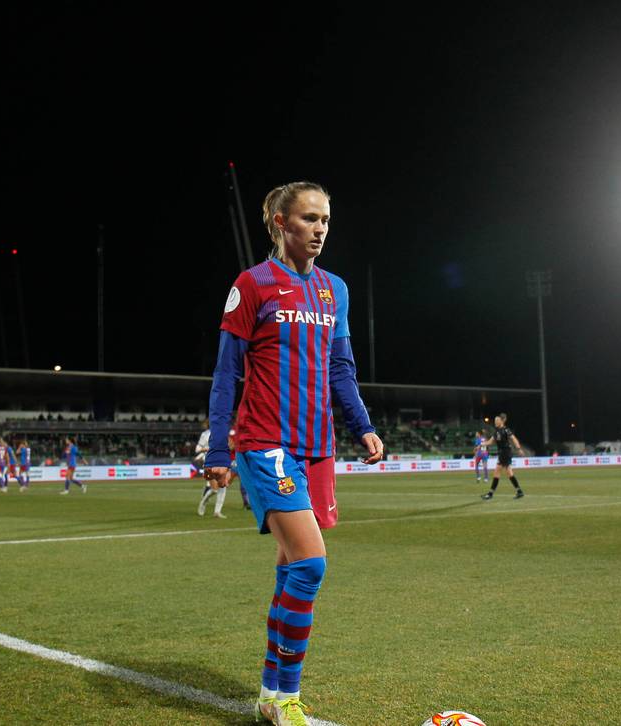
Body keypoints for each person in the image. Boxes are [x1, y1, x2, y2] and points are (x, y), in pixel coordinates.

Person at [205, 181, 383, 725]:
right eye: (309, 219)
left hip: (317, 449)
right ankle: (286, 697)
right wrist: (218, 448)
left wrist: (363, 426)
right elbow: (226, 373)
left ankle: (269, 692)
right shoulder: (252, 285)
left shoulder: (336, 291)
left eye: (326, 219)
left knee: (290, 573)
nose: (321, 229)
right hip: (265, 445)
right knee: (310, 565)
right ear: (280, 223)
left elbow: (340, 369)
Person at [481, 413, 525, 500]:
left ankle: (490, 494)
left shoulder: (505, 430)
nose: (495, 422)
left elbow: (514, 438)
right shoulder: (496, 431)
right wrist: (480, 446)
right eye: (495, 421)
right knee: (509, 473)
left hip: (505, 453)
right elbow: (489, 442)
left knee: (497, 472)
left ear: (501, 421)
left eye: (497, 421)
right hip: (503, 453)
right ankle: (519, 491)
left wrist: (518, 448)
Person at [195, 427, 228, 518]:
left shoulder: (224, 433)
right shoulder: (205, 434)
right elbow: (197, 449)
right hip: (210, 461)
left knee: (223, 486)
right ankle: (203, 502)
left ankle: (217, 512)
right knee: (214, 489)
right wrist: (207, 449)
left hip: (222, 461)